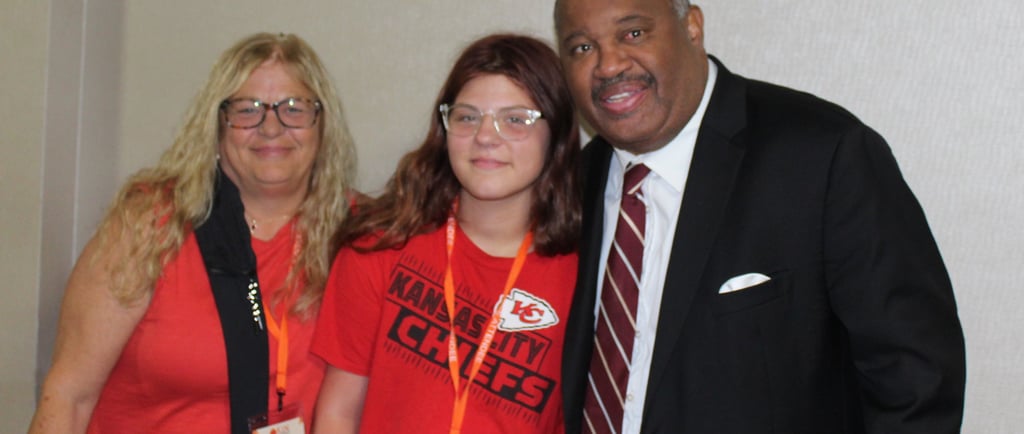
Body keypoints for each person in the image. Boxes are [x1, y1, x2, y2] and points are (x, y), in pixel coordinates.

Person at [554, 1, 967, 433]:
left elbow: (916, 375)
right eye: (582, 47)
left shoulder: (821, 155)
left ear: (692, 26)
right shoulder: (572, 185)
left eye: (633, 34)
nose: (608, 65)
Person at [28, 32, 357, 434]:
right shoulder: (150, 225)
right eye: (247, 109)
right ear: (217, 126)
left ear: (322, 127)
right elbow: (69, 395)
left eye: (294, 108)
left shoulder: (358, 234)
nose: (271, 127)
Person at [311, 33, 580, 433]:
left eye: (516, 119)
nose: (486, 137)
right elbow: (337, 414)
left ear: (555, 134)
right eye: (467, 116)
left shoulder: (587, 273)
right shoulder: (381, 245)